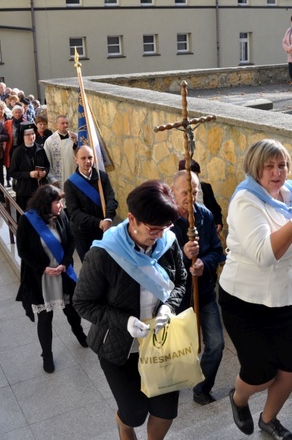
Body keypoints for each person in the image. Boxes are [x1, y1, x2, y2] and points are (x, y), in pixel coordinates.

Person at [219, 139, 292, 440]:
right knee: (260, 372)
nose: (277, 172)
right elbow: (265, 253)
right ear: (255, 168)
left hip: (282, 297)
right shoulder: (245, 201)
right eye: (269, 166)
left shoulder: (290, 193)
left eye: (282, 165)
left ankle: (269, 418)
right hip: (244, 301)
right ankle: (238, 399)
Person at [73, 180, 187, 440]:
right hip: (119, 345)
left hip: (161, 340)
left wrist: (169, 308)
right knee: (134, 412)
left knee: (166, 411)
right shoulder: (104, 254)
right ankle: (123, 426)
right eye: (153, 229)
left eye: (165, 228)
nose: (159, 234)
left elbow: (180, 280)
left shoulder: (167, 241)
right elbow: (82, 303)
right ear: (133, 219)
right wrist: (124, 321)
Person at [15, 184, 88, 374]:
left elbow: (70, 240)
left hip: (62, 273)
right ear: (46, 203)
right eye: (57, 202)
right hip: (42, 279)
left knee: (71, 310)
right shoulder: (27, 221)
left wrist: (64, 263)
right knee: (45, 318)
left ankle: (80, 334)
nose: (61, 205)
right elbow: (22, 250)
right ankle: (46, 355)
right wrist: (43, 268)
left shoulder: (61, 216)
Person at [170, 170, 226, 406]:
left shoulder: (204, 215)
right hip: (177, 298)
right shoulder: (165, 221)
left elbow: (217, 251)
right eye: (185, 192)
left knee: (216, 344)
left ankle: (202, 387)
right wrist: (184, 257)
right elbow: (158, 262)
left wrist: (204, 262)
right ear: (173, 192)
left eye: (194, 191)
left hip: (204, 292)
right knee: (180, 349)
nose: (190, 197)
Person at [64, 145, 119, 261]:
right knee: (90, 266)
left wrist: (108, 218)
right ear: (76, 160)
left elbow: (111, 199)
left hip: (104, 229)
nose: (87, 161)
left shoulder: (102, 177)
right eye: (83, 158)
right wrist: (99, 222)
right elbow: (74, 213)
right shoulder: (70, 184)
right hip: (83, 233)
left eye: (90, 157)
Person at [10, 122, 50, 213]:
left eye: (32, 134)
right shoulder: (18, 152)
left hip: (39, 189)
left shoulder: (40, 149)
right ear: (22, 136)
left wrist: (45, 172)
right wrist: (29, 174)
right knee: (25, 216)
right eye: (27, 134)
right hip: (24, 190)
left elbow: (47, 165)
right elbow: (12, 172)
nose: (31, 137)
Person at [177, 159, 223, 233]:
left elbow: (215, 208)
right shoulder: (177, 193)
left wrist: (218, 222)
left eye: (197, 175)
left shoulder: (206, 188)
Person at [44, 115, 78, 189]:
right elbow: (46, 161)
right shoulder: (50, 141)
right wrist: (51, 178)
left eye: (67, 123)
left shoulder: (75, 137)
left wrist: (76, 143)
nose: (65, 125)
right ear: (57, 125)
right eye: (63, 123)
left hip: (74, 174)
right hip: (58, 178)